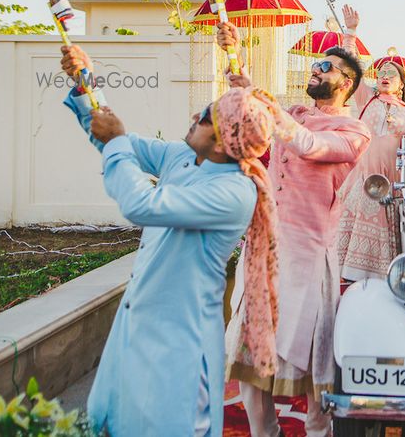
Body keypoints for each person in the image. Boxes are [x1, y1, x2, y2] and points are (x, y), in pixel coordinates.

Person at [60, 45, 282, 437]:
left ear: (222, 141)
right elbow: (117, 143)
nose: (195, 116)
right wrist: (85, 84)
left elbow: (141, 202)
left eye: (206, 117)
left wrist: (115, 143)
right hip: (136, 324)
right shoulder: (183, 156)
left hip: (180, 344)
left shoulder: (234, 193)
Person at [217, 22, 371, 437]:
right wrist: (237, 66)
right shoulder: (296, 114)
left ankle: (320, 432)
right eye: (316, 64)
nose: (315, 70)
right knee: (248, 351)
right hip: (264, 246)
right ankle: (266, 432)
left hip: (307, 256)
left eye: (325, 65)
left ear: (347, 83)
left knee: (314, 360)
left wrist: (257, 93)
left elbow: (308, 145)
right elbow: (259, 128)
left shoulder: (354, 132)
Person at [335, 5, 405, 280]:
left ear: (401, 85)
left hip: (390, 185)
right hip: (362, 181)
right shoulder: (367, 98)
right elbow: (348, 68)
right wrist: (350, 31)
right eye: (382, 71)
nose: (385, 75)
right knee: (346, 259)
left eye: (392, 74)